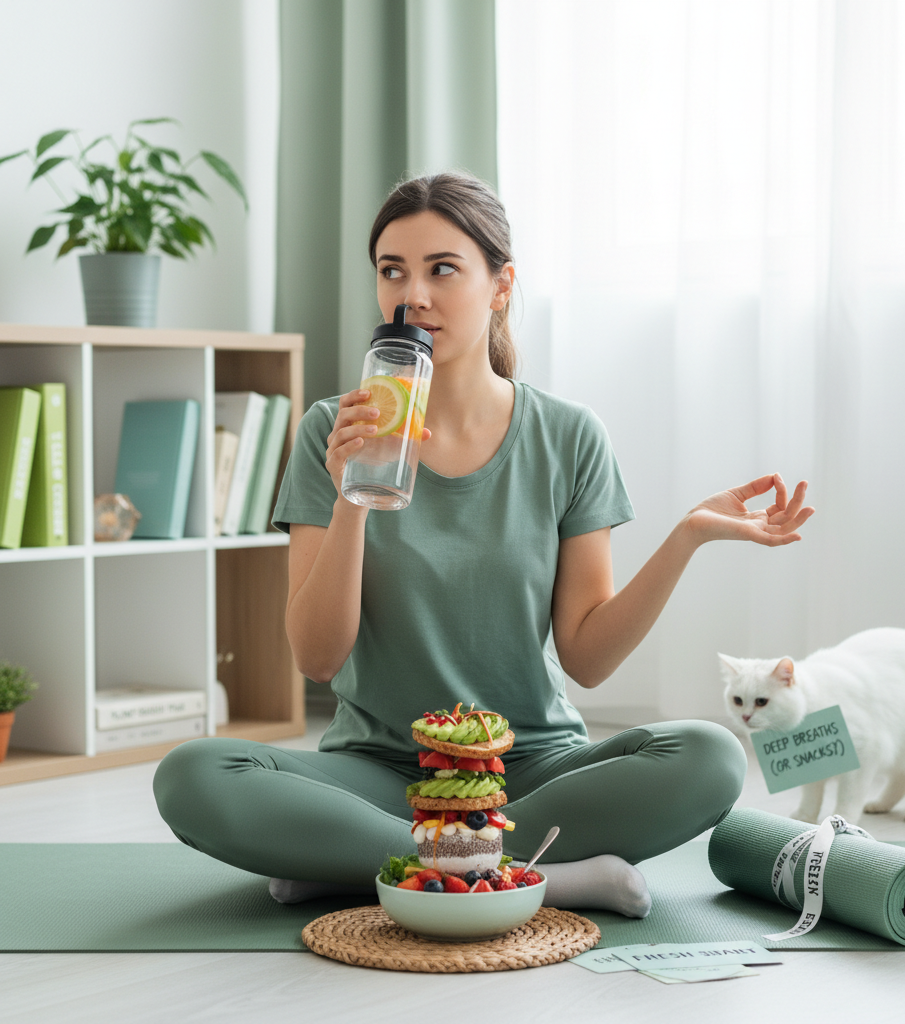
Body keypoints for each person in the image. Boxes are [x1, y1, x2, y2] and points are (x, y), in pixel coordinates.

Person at [154, 171, 814, 918]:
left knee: (712, 756)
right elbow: (316, 657)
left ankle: (368, 861)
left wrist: (688, 535)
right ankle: (547, 876)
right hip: (378, 766)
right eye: (392, 270)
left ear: (500, 286)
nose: (414, 294)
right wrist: (354, 495)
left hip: (529, 767)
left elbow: (588, 661)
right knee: (193, 773)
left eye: (443, 269)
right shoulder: (329, 432)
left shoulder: (568, 436)